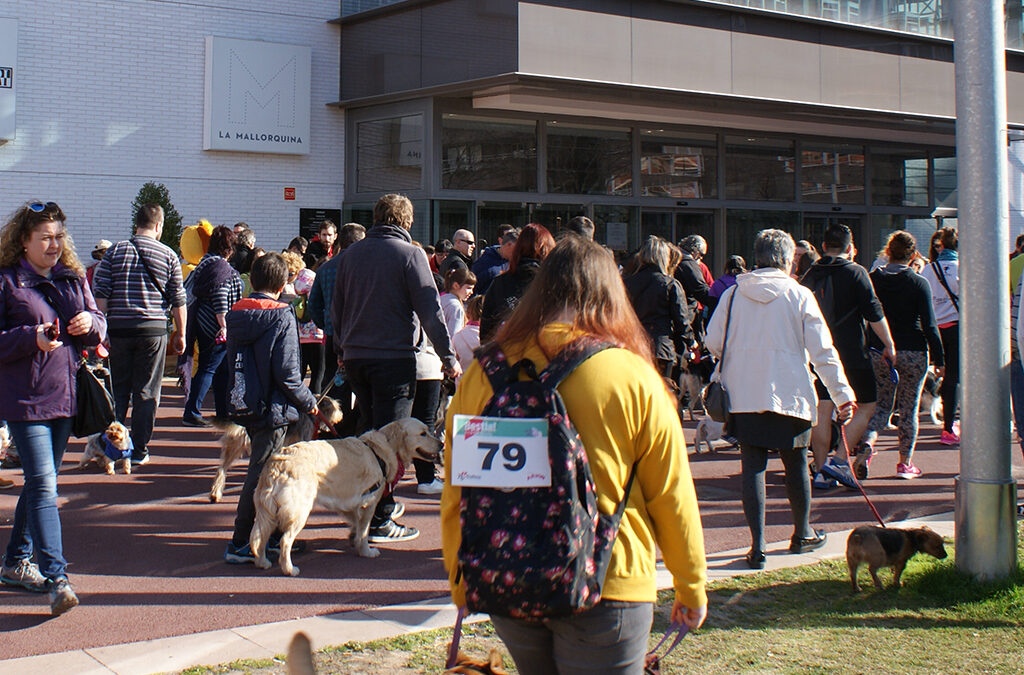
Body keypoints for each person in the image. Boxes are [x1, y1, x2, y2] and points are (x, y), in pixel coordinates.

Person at [441, 236, 707, 673]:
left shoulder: (484, 374)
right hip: (609, 576)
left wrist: (461, 577)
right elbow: (670, 494)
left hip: (510, 575)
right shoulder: (634, 376)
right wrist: (690, 585)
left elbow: (460, 488)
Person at [705, 229, 855, 570]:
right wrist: (842, 394)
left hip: (744, 392)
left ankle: (756, 547)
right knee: (796, 464)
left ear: (756, 256)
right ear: (790, 259)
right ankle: (801, 533)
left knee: (752, 467)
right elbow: (823, 352)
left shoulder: (733, 295)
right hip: (791, 391)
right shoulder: (799, 294)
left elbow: (713, 341)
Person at [332, 194, 460, 543]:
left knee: (367, 431)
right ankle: (380, 518)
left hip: (357, 356)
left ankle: (364, 502)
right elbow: (430, 309)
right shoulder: (411, 255)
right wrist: (448, 356)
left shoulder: (350, 255)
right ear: (406, 222)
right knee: (390, 440)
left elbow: (337, 308)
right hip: (394, 356)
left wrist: (342, 348)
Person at [0, 200, 107, 615]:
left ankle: (13, 562)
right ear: (23, 241)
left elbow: (99, 321)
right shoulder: (8, 282)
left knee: (38, 482)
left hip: (66, 396)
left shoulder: (72, 278)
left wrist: (90, 324)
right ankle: (58, 578)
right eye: (44, 237)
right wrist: (32, 338)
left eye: (59, 236)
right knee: (45, 485)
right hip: (25, 400)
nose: (54, 244)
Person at [222, 253, 317, 563]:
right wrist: (310, 402)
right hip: (273, 406)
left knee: (263, 471)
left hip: (245, 399)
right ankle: (242, 540)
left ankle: (271, 536)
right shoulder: (282, 315)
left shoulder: (237, 312)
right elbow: (289, 374)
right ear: (283, 283)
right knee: (262, 474)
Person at [801, 223, 895, 489]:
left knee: (822, 409)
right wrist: (888, 343)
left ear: (823, 247)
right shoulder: (856, 272)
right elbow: (873, 312)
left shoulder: (811, 274)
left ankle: (820, 469)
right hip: (852, 352)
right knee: (866, 404)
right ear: (851, 248)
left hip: (817, 353)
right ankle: (840, 460)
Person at [91, 204, 187, 464]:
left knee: (119, 389)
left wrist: (103, 329)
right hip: (153, 330)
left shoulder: (114, 252)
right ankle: (140, 450)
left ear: (137, 223)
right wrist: (181, 333)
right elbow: (178, 299)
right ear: (159, 226)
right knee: (147, 391)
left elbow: (101, 292)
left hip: (119, 328)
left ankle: (114, 446)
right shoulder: (168, 255)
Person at [857, 231, 943, 480]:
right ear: (913, 254)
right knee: (909, 408)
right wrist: (939, 358)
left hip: (879, 350)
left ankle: (868, 444)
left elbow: (864, 317)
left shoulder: (872, 279)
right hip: (914, 351)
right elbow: (929, 324)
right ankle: (905, 463)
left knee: (881, 405)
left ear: (888, 252)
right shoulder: (918, 282)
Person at [182, 226, 243, 426]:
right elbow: (220, 296)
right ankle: (192, 411)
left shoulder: (205, 264)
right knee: (209, 368)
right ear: (229, 248)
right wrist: (224, 324)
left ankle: (223, 411)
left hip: (202, 322)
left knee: (221, 369)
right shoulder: (221, 268)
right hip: (216, 327)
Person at [623, 236, 693, 378]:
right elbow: (682, 321)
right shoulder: (670, 284)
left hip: (633, 346)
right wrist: (690, 340)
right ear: (664, 258)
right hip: (661, 347)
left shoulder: (627, 283)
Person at [479, 223, 556, 341]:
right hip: (543, 354)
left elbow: (485, 333)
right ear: (548, 250)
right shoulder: (553, 284)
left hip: (505, 353)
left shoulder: (500, 283)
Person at [919, 226, 960, 445]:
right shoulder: (962, 267)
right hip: (956, 328)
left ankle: (945, 421)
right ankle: (949, 426)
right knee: (954, 377)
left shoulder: (928, 269)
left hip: (934, 329)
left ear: (940, 246)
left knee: (942, 374)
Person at [674, 235, 716, 338]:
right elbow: (701, 290)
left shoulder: (674, 260)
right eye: (701, 254)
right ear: (695, 251)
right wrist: (719, 300)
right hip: (685, 313)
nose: (701, 258)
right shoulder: (689, 265)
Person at [471, 227, 518, 295]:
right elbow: (472, 288)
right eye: (516, 250)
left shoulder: (515, 263)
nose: (518, 253)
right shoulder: (484, 262)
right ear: (509, 245)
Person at [440, 267, 476, 339]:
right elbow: (454, 336)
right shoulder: (456, 307)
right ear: (456, 285)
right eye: (468, 288)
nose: (471, 292)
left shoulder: (442, 298)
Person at [452, 295, 483, 375]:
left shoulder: (458, 336)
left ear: (468, 312)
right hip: (486, 383)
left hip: (463, 382)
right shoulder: (493, 336)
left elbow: (454, 360)